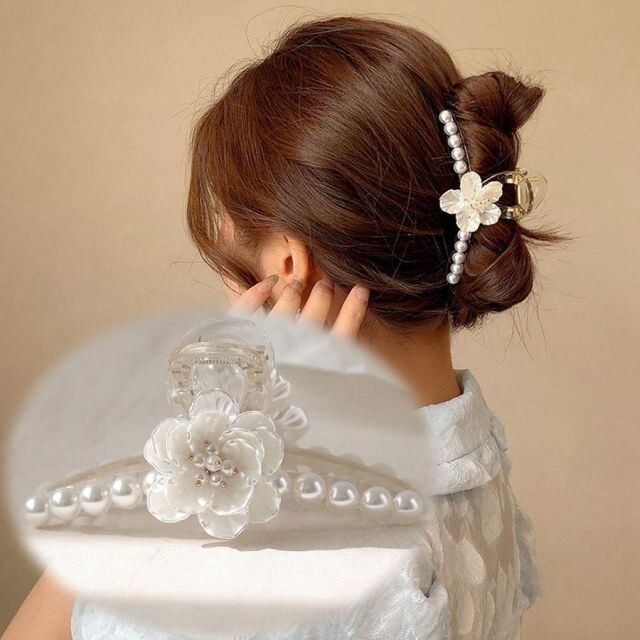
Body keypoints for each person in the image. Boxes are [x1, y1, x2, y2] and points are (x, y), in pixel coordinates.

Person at [4, 15, 557, 639]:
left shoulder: (271, 540)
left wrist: (188, 463)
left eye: (226, 242)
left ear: (289, 266)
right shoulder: (477, 463)